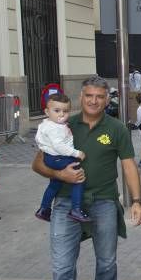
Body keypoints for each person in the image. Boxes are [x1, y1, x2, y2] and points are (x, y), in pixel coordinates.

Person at [32, 75, 141, 280]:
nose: (94, 101)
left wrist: (137, 201)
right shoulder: (62, 123)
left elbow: (129, 165)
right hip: (66, 204)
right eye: (88, 96)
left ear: (107, 99)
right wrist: (60, 175)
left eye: (99, 96)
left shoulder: (117, 128)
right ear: (80, 97)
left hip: (105, 202)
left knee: (106, 261)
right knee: (61, 271)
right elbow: (37, 162)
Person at [34, 94, 88, 222]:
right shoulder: (55, 128)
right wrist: (76, 153)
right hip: (59, 157)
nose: (61, 114)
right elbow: (59, 146)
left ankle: (44, 209)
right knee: (78, 178)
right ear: (47, 112)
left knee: (54, 184)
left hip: (50, 157)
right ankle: (76, 209)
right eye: (57, 111)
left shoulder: (46, 124)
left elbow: (39, 139)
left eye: (66, 111)